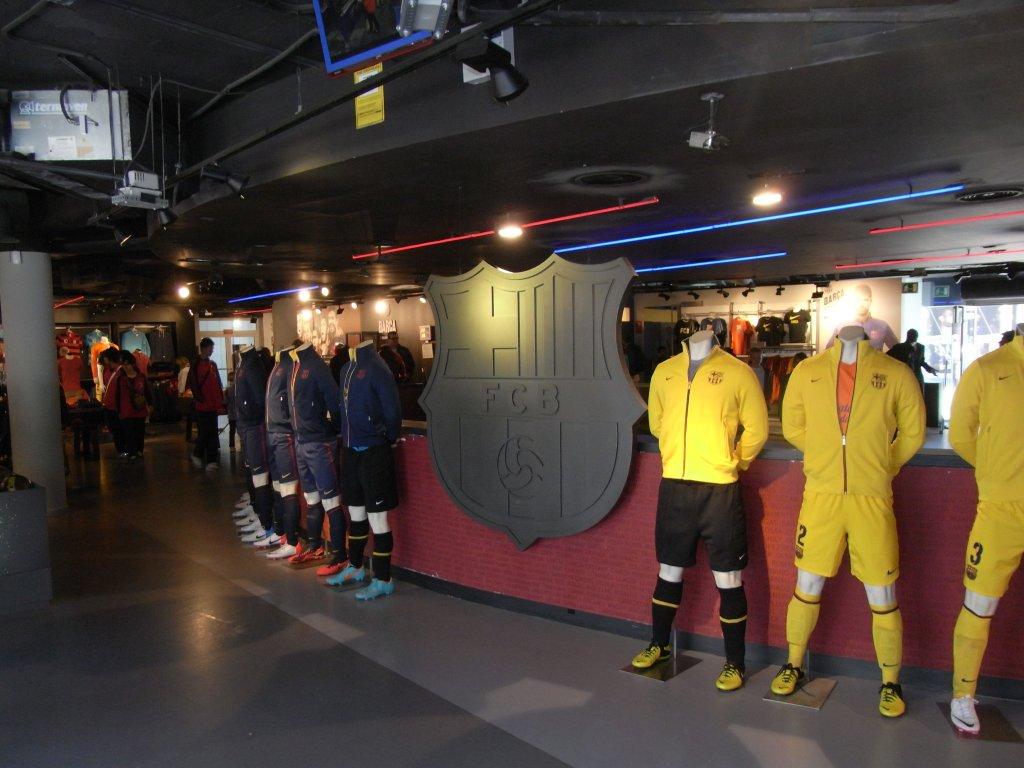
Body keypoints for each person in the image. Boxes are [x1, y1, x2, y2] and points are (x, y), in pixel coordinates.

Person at [770, 326, 925, 718]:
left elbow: (914, 433)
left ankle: (890, 682)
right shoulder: (807, 371)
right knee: (806, 583)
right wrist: (826, 454)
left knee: (882, 592)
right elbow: (793, 426)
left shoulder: (896, 373)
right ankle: (793, 663)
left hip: (871, 498)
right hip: (821, 497)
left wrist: (880, 464)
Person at [629, 330, 768, 690]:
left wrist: (734, 461)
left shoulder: (738, 372)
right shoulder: (665, 371)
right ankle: (659, 645)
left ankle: (734, 663)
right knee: (668, 570)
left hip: (720, 490)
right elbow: (658, 424)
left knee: (728, 578)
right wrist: (676, 456)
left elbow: (757, 429)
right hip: (675, 485)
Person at [946, 327, 1024, 735]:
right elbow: (960, 434)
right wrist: (996, 472)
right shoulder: (987, 369)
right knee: (979, 603)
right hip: (1000, 509)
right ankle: (963, 693)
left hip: (1002, 500)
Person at [326, 340, 404, 600]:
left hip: (374, 452)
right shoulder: (346, 368)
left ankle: (383, 578)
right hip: (351, 451)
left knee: (377, 518)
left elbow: (392, 409)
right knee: (356, 513)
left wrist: (386, 436)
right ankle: (356, 566)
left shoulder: (377, 367)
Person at [287, 342, 346, 570]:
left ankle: (339, 554)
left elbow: (334, 400)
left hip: (319, 441)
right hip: (303, 440)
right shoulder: (297, 366)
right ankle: (315, 547)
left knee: (331, 499)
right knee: (311, 497)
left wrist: (334, 428)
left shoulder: (315, 366)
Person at [186, 338, 224, 470]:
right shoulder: (196, 364)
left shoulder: (212, 364)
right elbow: (193, 383)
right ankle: (199, 455)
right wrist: (200, 398)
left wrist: (220, 399)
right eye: (211, 348)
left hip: (212, 404)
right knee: (206, 432)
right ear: (204, 348)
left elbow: (218, 383)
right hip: (203, 405)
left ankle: (210, 460)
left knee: (212, 432)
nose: (212, 350)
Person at [825, 283, 899, 351]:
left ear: (870, 301)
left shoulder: (883, 326)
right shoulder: (842, 326)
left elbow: (897, 351)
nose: (861, 304)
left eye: (865, 300)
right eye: (857, 300)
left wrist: (884, 359)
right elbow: (827, 351)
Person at [116, 350, 150, 459]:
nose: (125, 367)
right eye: (123, 365)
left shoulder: (141, 377)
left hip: (139, 409)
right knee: (128, 432)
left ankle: (139, 450)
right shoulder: (121, 379)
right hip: (126, 410)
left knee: (139, 431)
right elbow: (118, 395)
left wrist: (150, 404)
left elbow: (147, 392)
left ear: (132, 364)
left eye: (127, 364)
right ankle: (132, 452)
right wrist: (119, 410)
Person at [100, 349, 127, 458]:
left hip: (117, 406)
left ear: (107, 359)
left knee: (119, 429)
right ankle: (122, 450)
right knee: (115, 429)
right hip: (110, 406)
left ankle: (123, 450)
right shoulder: (109, 370)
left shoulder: (121, 371)